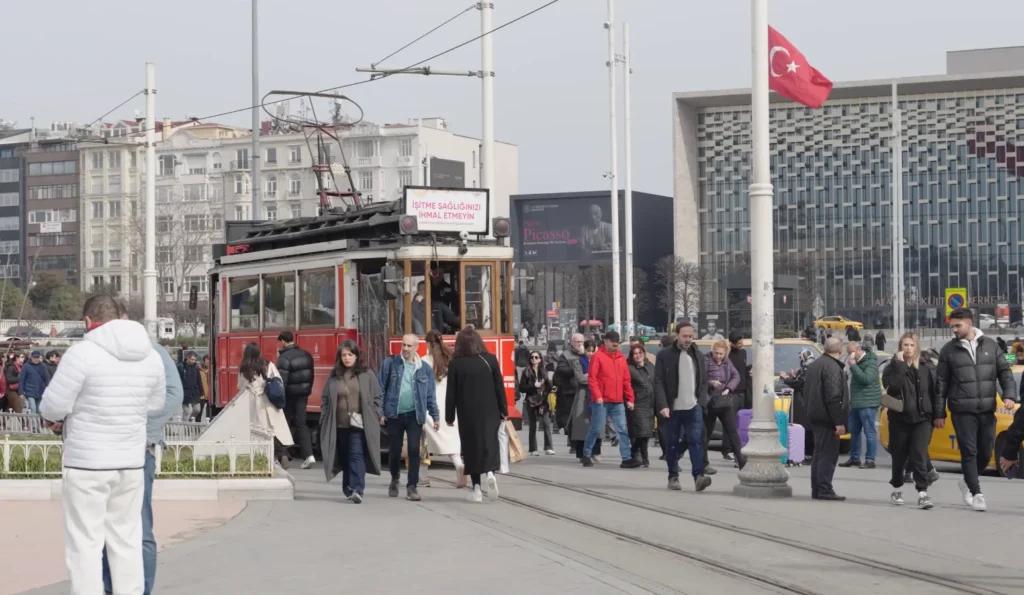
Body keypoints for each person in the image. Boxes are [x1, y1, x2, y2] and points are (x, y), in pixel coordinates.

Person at [39, 295, 166, 594]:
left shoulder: (82, 354)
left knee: (85, 543)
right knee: (127, 539)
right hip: (131, 462)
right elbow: (156, 404)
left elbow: (53, 408)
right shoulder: (150, 356)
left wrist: (60, 419)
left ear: (87, 321)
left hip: (87, 463)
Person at [102, 305, 184, 595]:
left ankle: (141, 589)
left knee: (139, 526)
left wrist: (142, 426)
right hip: (103, 449)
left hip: (139, 449)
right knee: (103, 528)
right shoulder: (96, 351)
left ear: (125, 319)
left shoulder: (154, 351)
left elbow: (175, 395)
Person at [936, 308, 1016, 512]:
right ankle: (976, 492)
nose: (954, 329)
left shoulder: (990, 345)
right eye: (952, 325)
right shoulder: (948, 350)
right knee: (969, 451)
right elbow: (941, 384)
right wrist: (939, 413)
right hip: (962, 409)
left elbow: (1005, 371)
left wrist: (1009, 395)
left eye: (957, 325)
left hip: (988, 408)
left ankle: (966, 482)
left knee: (986, 451)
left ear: (970, 323)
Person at [445, 326, 507, 503]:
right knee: (489, 443)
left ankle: (477, 490)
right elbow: (499, 388)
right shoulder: (491, 360)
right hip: (491, 411)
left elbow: (452, 393)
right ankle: (490, 473)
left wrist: (449, 417)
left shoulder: (456, 363)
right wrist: (504, 410)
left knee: (471, 449)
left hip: (467, 413)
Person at [320, 340, 383, 504]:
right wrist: (324, 415)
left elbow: (377, 396)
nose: (347, 358)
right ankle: (348, 488)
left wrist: (376, 414)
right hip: (339, 424)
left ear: (356, 356)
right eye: (344, 355)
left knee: (356, 454)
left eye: (350, 355)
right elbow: (325, 398)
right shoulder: (334, 376)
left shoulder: (366, 373)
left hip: (359, 423)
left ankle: (358, 489)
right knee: (345, 456)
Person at [881, 333, 939, 510]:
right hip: (900, 418)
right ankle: (897, 488)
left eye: (911, 345)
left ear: (917, 347)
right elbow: (893, 389)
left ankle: (923, 493)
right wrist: (899, 366)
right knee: (899, 456)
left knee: (919, 453)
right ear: (900, 347)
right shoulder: (892, 368)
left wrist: (938, 415)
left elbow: (935, 392)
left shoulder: (926, 367)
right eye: (905, 345)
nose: (908, 348)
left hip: (922, 419)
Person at [378, 334, 440, 502]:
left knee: (414, 450)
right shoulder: (390, 364)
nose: (405, 349)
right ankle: (394, 478)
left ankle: (412, 486)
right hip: (394, 414)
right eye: (403, 345)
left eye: (409, 346)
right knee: (394, 451)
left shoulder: (424, 369)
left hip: (415, 415)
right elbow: (380, 390)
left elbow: (430, 396)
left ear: (416, 347)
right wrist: (380, 412)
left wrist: (435, 416)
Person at [654, 322, 711, 491]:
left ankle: (698, 477)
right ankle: (673, 476)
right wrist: (663, 404)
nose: (687, 339)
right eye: (684, 336)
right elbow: (658, 382)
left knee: (695, 441)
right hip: (672, 408)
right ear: (676, 335)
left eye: (690, 336)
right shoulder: (665, 355)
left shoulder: (698, 355)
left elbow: (703, 381)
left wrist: (701, 401)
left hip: (693, 406)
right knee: (671, 443)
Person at [581, 331, 639, 469]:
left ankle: (626, 458)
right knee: (596, 428)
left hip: (618, 401)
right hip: (601, 401)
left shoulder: (621, 359)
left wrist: (630, 398)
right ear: (605, 341)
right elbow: (592, 378)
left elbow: (626, 380)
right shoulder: (598, 357)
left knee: (622, 430)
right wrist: (597, 395)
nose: (615, 343)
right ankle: (586, 454)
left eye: (617, 341)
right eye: (612, 341)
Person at [803, 337, 849, 501]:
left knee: (819, 453)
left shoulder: (815, 364)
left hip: (815, 415)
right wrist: (839, 422)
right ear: (841, 350)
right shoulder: (833, 368)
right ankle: (824, 489)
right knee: (828, 455)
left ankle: (817, 489)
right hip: (827, 417)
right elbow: (834, 397)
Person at [237, 343, 294, 470]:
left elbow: (240, 387)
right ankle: (282, 454)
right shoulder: (268, 364)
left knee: (259, 432)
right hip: (269, 400)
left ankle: (264, 458)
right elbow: (278, 379)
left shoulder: (244, 369)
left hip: (254, 402)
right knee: (274, 430)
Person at [421, 329, 465, 485]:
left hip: (431, 405)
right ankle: (459, 465)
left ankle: (423, 476)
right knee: (451, 439)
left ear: (428, 343)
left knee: (423, 441)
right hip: (449, 404)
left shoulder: (425, 360)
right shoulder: (451, 358)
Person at [703, 340, 746, 470]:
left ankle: (741, 461)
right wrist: (711, 382)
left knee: (733, 431)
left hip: (724, 399)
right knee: (706, 433)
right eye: (716, 353)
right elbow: (701, 378)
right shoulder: (706, 360)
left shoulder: (727, 362)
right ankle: (703, 462)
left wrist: (729, 388)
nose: (718, 356)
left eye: (721, 354)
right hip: (711, 400)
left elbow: (736, 376)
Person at [276, 331, 316, 470]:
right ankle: (309, 456)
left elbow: (281, 382)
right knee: (301, 424)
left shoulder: (284, 358)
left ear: (283, 341)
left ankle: (284, 455)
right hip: (303, 395)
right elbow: (311, 375)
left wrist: (280, 399)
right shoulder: (306, 354)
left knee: (283, 423)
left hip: (289, 396)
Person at [840, 341, 881, 469]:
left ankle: (870, 460)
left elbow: (866, 379)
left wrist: (853, 366)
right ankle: (854, 458)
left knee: (869, 431)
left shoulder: (870, 362)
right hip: (855, 401)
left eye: (851, 352)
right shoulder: (856, 362)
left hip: (867, 402)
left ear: (858, 350)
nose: (850, 356)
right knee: (854, 431)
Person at [780, 349, 816, 464]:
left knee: (806, 428)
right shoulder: (808, 368)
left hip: (805, 402)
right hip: (805, 401)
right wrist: (792, 377)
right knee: (805, 428)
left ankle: (809, 455)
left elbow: (799, 384)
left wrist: (787, 379)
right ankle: (807, 454)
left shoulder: (809, 368)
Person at [520, 350, 555, 456]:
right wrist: (533, 385)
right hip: (531, 400)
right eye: (532, 357)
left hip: (543, 400)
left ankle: (548, 447)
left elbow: (548, 384)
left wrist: (552, 388)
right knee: (532, 425)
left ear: (540, 359)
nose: (534, 359)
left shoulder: (543, 370)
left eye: (536, 357)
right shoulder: (526, 371)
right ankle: (533, 449)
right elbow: (521, 388)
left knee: (546, 424)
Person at [626, 343, 655, 467]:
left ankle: (641, 456)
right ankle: (640, 456)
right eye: (635, 354)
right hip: (637, 403)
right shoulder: (629, 368)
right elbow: (627, 385)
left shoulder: (650, 366)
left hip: (649, 404)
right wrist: (629, 399)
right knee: (640, 433)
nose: (638, 356)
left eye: (640, 353)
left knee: (646, 433)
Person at [18, 350, 51, 414]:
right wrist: (21, 392)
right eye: (34, 357)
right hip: (29, 391)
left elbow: (47, 379)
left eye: (37, 357)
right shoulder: (26, 366)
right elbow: (22, 379)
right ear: (31, 357)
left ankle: (37, 423)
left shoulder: (43, 366)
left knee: (39, 409)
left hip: (40, 391)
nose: (36, 359)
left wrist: (49, 390)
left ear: (40, 357)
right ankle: (32, 423)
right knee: (32, 408)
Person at [727, 331, 751, 413]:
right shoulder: (727, 354)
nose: (742, 344)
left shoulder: (743, 352)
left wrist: (750, 368)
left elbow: (742, 368)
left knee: (743, 416)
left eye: (742, 342)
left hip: (743, 390)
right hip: (732, 391)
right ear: (732, 343)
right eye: (739, 343)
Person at [177, 350, 203, 422]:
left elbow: (199, 380)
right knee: (186, 412)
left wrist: (201, 392)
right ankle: (185, 428)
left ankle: (189, 422)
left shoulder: (196, 368)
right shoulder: (181, 367)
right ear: (187, 358)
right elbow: (178, 380)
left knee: (197, 410)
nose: (193, 361)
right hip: (185, 392)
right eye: (192, 359)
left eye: (194, 359)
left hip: (195, 392)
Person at [198, 354, 212, 421]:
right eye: (206, 360)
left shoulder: (213, 370)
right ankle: (196, 428)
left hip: (211, 395)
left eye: (209, 360)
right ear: (204, 361)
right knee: (199, 412)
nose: (208, 362)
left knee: (209, 413)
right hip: (202, 394)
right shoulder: (199, 370)